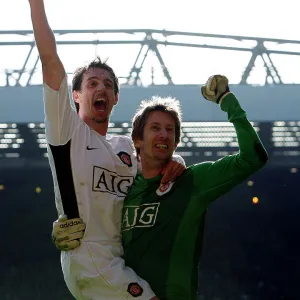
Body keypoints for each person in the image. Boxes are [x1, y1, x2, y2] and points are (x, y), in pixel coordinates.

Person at [53, 75, 268, 299]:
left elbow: (253, 158)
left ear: (175, 143)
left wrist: (226, 100)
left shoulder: (192, 182)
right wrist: (63, 228)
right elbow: (97, 221)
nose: (163, 134)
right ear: (137, 140)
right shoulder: (126, 188)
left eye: (170, 130)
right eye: (155, 127)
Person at [27, 1, 185, 299]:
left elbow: (155, 170)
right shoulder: (67, 131)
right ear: (76, 95)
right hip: (89, 257)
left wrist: (176, 161)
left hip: (122, 254)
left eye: (108, 85)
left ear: (115, 98)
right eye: (92, 83)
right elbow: (49, 59)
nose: (101, 88)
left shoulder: (125, 147)